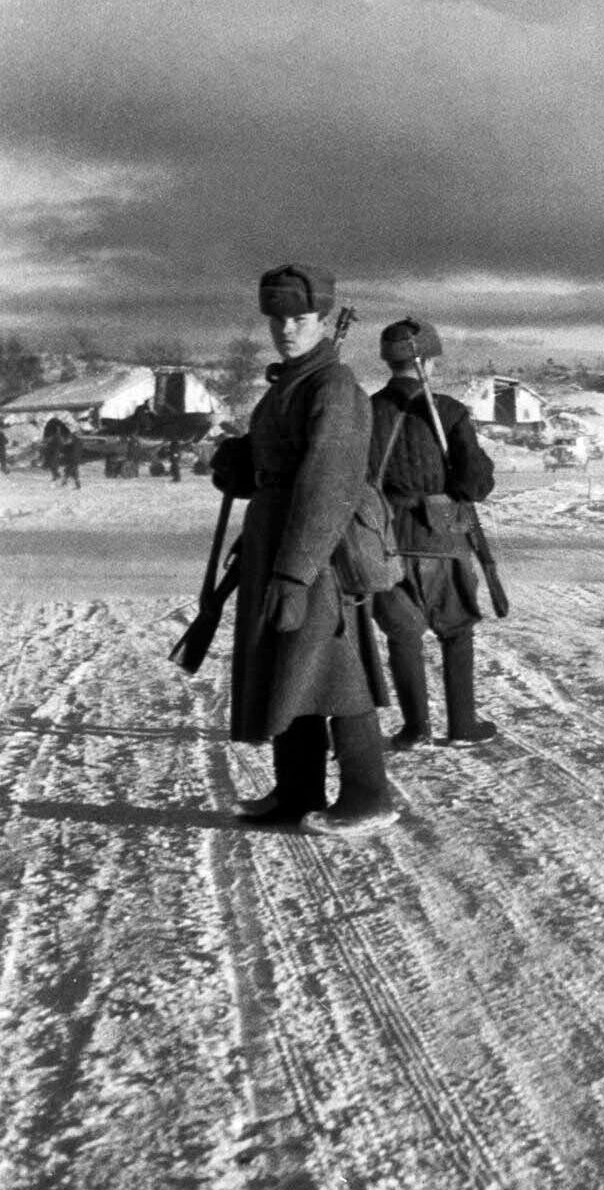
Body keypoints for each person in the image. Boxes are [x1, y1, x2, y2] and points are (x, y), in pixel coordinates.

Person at [209, 264, 396, 836]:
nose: (286, 329)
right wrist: (239, 465)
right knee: (289, 667)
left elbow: (328, 486)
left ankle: (369, 796)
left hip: (315, 552)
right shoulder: (288, 386)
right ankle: (296, 792)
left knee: (332, 668)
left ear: (322, 320)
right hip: (278, 541)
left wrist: (294, 573)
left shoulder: (334, 388)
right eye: (277, 319)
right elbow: (278, 470)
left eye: (300, 318)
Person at [368, 317, 499, 749]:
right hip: (443, 536)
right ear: (428, 362)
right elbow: (473, 484)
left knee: (402, 633)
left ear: (390, 362)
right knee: (456, 630)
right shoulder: (448, 410)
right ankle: (462, 725)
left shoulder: (367, 411)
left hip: (384, 538)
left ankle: (415, 729)